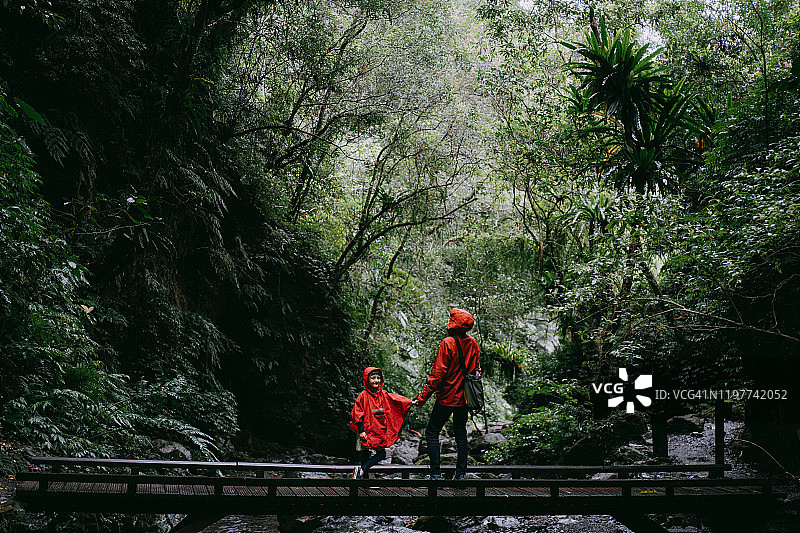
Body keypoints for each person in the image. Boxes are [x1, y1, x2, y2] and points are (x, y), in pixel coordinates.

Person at [413, 308, 480, 480]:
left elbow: (437, 375)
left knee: (432, 433)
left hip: (446, 398)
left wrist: (422, 398)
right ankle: (461, 474)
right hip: (464, 398)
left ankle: (435, 473)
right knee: (460, 434)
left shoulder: (447, 343)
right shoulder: (473, 343)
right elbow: (476, 371)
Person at [350, 366, 413, 479]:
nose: (376, 380)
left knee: (381, 454)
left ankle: (362, 471)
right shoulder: (363, 396)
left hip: (377, 430)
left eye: (378, 378)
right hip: (365, 430)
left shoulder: (383, 395)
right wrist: (361, 431)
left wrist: (411, 402)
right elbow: (357, 413)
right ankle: (364, 478)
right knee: (366, 454)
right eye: (373, 378)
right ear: (367, 380)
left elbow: (396, 400)